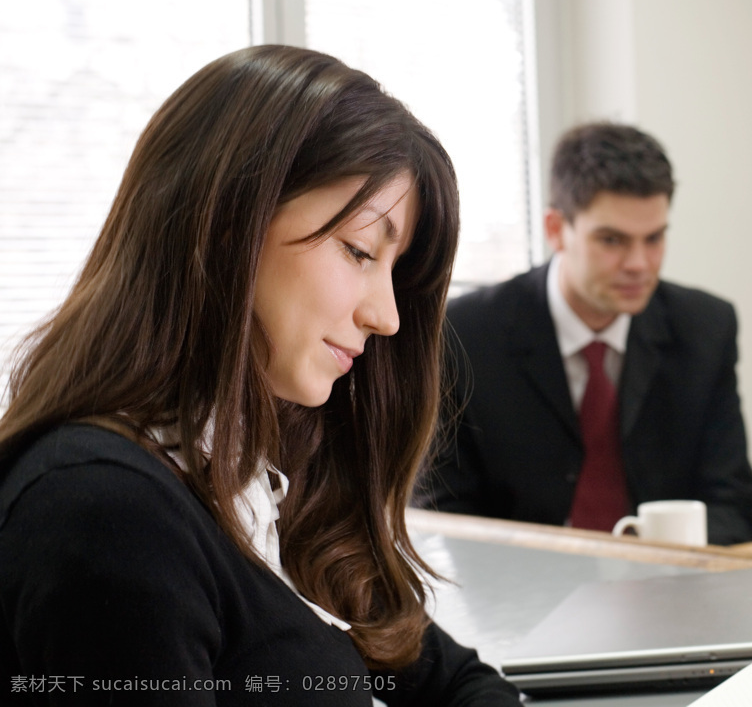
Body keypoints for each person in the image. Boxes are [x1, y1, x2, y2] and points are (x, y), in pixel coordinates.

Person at [0, 46, 521, 704]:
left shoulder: (265, 482)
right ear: (226, 223)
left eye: (394, 271)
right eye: (360, 250)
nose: (386, 315)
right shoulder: (106, 512)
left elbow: (456, 685)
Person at [417, 122, 752, 545]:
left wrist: (652, 553)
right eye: (612, 240)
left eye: (654, 238)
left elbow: (737, 504)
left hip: (667, 591)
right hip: (520, 597)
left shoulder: (705, 328)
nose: (639, 263)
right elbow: (439, 512)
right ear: (555, 229)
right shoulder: (466, 335)